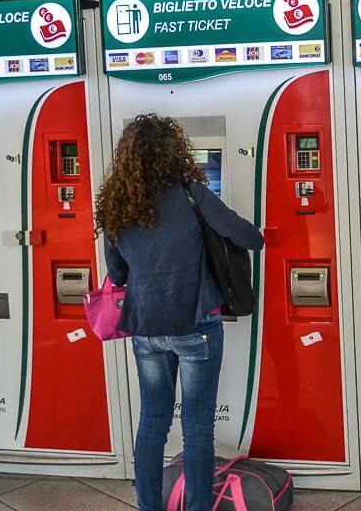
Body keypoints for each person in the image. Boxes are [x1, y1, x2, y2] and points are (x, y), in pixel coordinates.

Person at [94, 114, 264, 511]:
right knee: (197, 429)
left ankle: (149, 505)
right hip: (196, 325)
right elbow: (250, 238)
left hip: (146, 329)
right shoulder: (193, 193)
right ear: (174, 152)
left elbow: (117, 272)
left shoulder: (118, 204)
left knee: (152, 422)